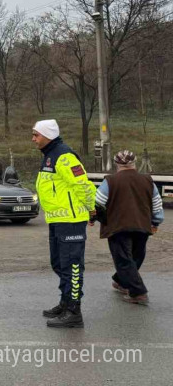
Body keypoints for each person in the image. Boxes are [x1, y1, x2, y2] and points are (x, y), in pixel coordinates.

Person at [32, 119, 96, 328]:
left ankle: (74, 312)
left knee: (72, 267)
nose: (33, 139)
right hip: (57, 220)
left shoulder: (64, 156)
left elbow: (83, 185)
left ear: (48, 135)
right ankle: (65, 302)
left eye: (36, 135)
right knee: (58, 264)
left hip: (71, 220)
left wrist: (91, 208)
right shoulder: (50, 156)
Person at [94, 150, 165, 306]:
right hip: (142, 225)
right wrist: (156, 222)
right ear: (135, 163)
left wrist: (98, 219)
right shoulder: (147, 180)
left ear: (117, 164)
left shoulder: (110, 181)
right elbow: (157, 204)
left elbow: (98, 203)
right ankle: (120, 282)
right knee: (136, 257)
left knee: (124, 260)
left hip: (118, 226)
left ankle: (138, 292)